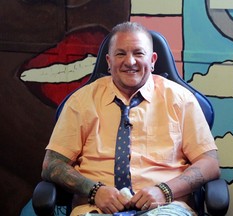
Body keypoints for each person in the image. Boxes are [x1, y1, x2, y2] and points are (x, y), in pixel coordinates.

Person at [41, 21, 220, 216]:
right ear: (109, 62)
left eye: (138, 53)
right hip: (96, 209)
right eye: (121, 54)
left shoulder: (180, 99)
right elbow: (52, 164)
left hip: (164, 208)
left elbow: (209, 163)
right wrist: (94, 190)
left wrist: (165, 191)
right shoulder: (81, 101)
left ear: (152, 60)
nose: (130, 61)